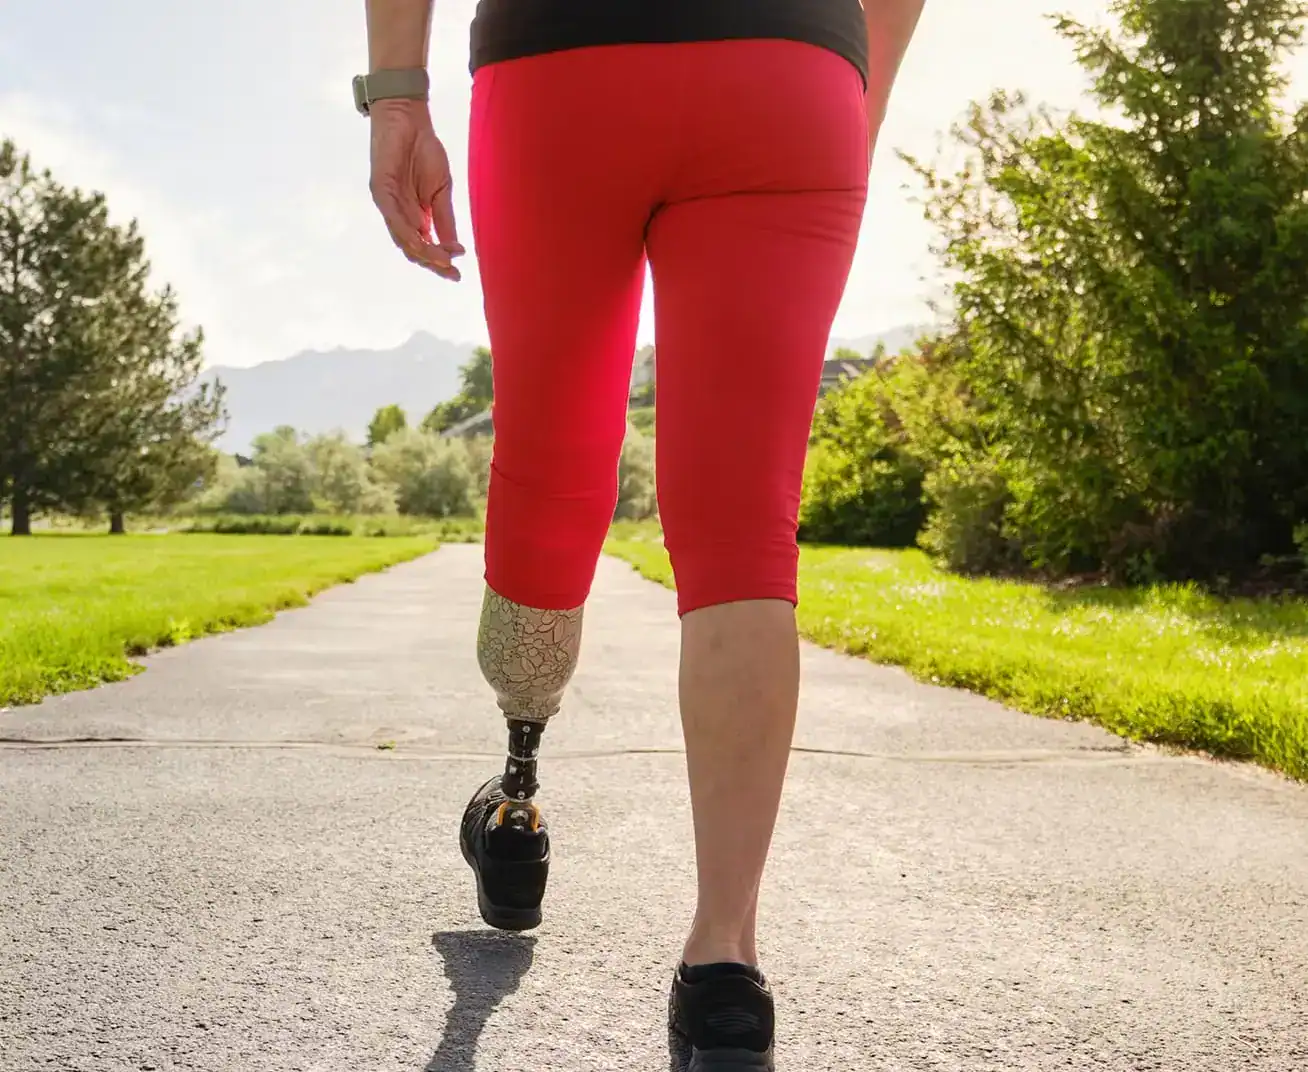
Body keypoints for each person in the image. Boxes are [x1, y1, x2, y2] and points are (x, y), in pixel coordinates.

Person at [360, 1, 925, 1066]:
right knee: (744, 527)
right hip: (791, 64)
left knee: (551, 466)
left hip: (562, 55)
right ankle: (724, 969)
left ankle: (517, 792)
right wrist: (851, 95)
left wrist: (395, 92)